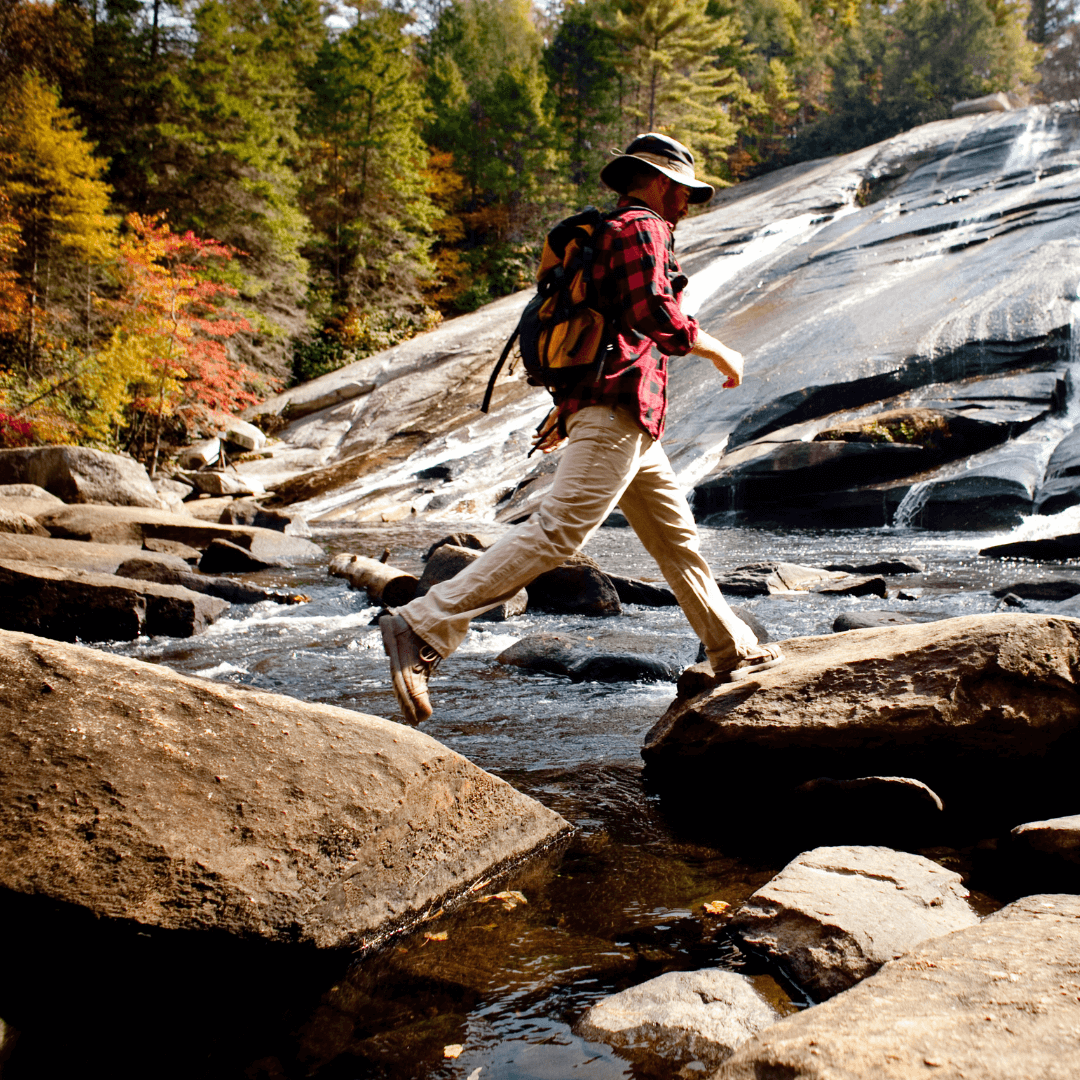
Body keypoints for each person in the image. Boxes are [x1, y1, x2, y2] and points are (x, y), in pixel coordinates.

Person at [380, 132, 783, 724]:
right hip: (618, 411)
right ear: (662, 182)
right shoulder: (643, 225)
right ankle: (422, 624)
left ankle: (730, 651)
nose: (687, 207)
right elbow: (654, 312)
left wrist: (572, 410)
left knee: (678, 543)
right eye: (685, 194)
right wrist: (721, 350)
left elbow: (613, 325)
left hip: (626, 417)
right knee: (555, 534)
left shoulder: (607, 233)